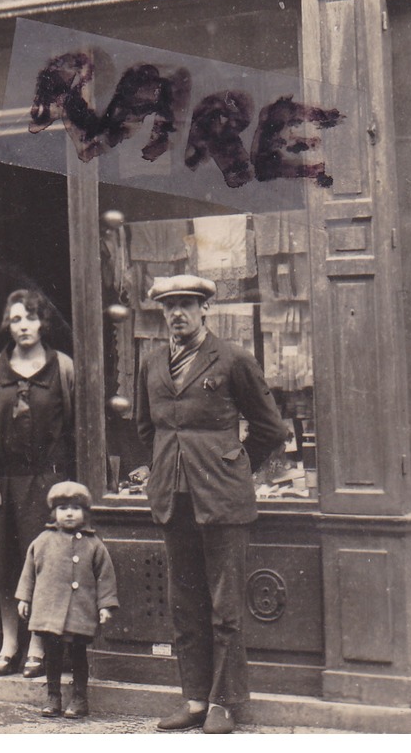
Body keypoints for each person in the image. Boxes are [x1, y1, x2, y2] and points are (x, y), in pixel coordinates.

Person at [135, 274, 287, 735]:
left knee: (225, 606)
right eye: (169, 306)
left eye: (186, 304)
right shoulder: (152, 362)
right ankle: (195, 700)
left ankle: (225, 701)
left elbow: (271, 430)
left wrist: (234, 465)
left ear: (205, 310)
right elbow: (146, 428)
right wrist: (161, 470)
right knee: (184, 604)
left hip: (221, 496)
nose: (177, 313)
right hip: (173, 498)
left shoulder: (233, 359)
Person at [0, 287, 75, 678]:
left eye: (29, 317)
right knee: (4, 568)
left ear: (43, 322)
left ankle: (38, 647)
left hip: (48, 485)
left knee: (44, 567)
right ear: (7, 326)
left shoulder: (62, 368)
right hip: (3, 484)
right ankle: (9, 646)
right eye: (15, 319)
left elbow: (78, 429)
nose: (23, 326)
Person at [16, 480, 119, 719]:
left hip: (79, 610)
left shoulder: (94, 545)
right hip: (49, 610)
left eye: (75, 508)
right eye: (63, 508)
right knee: (52, 654)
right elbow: (28, 573)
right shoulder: (42, 541)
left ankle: (80, 698)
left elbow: (105, 577)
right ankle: (53, 697)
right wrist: (24, 598)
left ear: (85, 512)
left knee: (78, 655)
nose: (69, 513)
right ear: (53, 513)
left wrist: (105, 605)